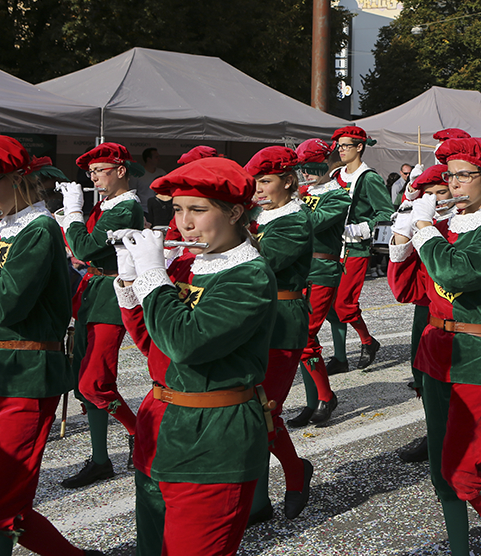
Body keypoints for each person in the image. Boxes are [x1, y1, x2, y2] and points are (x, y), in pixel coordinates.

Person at [0, 135, 103, 556]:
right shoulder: (5, 226)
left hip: (27, 378)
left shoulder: (39, 230)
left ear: (18, 179)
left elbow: (4, 305)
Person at [113, 157, 276, 556]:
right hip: (160, 426)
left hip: (213, 434)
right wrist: (132, 279)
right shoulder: (189, 262)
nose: (183, 222)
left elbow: (187, 343)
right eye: (178, 209)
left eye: (198, 210)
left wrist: (154, 277)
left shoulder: (249, 275)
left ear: (236, 212)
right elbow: (154, 346)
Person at [388, 136, 481, 556]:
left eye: (465, 175)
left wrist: (425, 230)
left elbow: (458, 274)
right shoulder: (445, 227)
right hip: (435, 352)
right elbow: (405, 289)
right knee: (440, 472)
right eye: (451, 176)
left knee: (465, 472)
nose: (455, 184)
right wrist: (403, 233)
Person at [57, 143, 145, 489]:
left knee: (94, 381)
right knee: (86, 381)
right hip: (94, 291)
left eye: (100, 170)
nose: (94, 178)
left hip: (113, 294)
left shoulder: (125, 207)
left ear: (121, 170)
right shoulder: (107, 205)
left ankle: (140, 431)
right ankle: (100, 459)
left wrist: (72, 212)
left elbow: (84, 247)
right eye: (91, 172)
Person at [244, 147, 315, 524]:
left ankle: (294, 471)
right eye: (255, 182)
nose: (258, 189)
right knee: (247, 407)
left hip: (282, 317)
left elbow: (262, 261)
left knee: (265, 409)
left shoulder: (294, 220)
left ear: (288, 180)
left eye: (266, 181)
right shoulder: (259, 213)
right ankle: (256, 501)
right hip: (251, 314)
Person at [386, 163, 456, 463]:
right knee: (425, 375)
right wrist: (405, 228)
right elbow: (406, 289)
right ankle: (435, 432)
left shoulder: (469, 222)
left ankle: (454, 434)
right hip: (428, 311)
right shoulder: (424, 221)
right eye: (431, 194)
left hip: (463, 314)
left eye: (443, 192)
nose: (438, 200)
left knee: (458, 378)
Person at [325, 126, 395, 374]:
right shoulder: (335, 176)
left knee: (344, 304)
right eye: (339, 146)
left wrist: (362, 229)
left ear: (360, 147)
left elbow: (387, 213)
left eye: (345, 145)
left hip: (356, 248)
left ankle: (368, 341)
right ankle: (340, 357)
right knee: (330, 305)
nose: (340, 150)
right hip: (332, 248)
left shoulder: (369, 178)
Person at [288, 140, 348, 427]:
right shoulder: (300, 192)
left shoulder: (338, 196)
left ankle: (325, 396)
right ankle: (312, 403)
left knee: (306, 336)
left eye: (312, 169)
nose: (307, 175)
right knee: (298, 338)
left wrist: (285, 205)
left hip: (322, 269)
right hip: (297, 269)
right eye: (303, 170)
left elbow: (311, 222)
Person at [130, 148, 167, 224]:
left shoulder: (162, 173)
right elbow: (132, 192)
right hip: (144, 211)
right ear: (148, 159)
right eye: (156, 157)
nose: (159, 159)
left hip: (160, 210)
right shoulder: (138, 174)